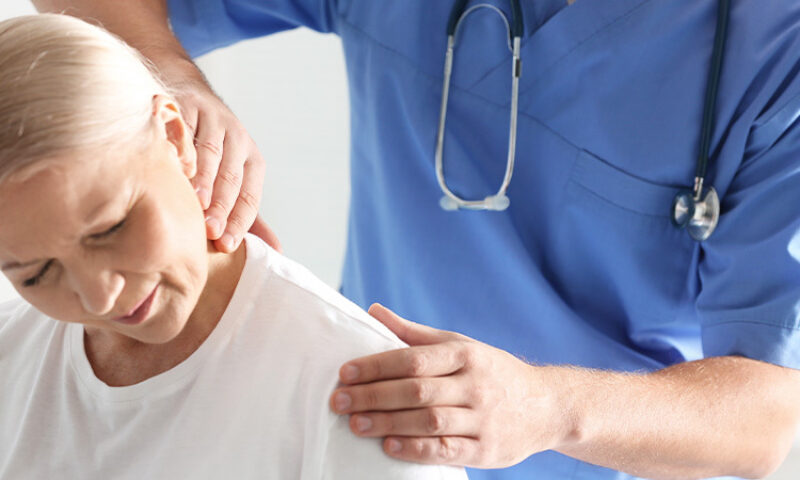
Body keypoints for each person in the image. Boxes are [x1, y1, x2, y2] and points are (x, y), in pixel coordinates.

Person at [30, 0, 800, 479]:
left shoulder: (773, 53)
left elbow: (766, 418)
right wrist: (174, 78)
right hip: (366, 422)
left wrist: (544, 407)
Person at [0, 14, 467, 480]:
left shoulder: (362, 398)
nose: (100, 297)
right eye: (35, 273)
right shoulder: (11, 357)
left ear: (175, 137)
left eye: (109, 229)